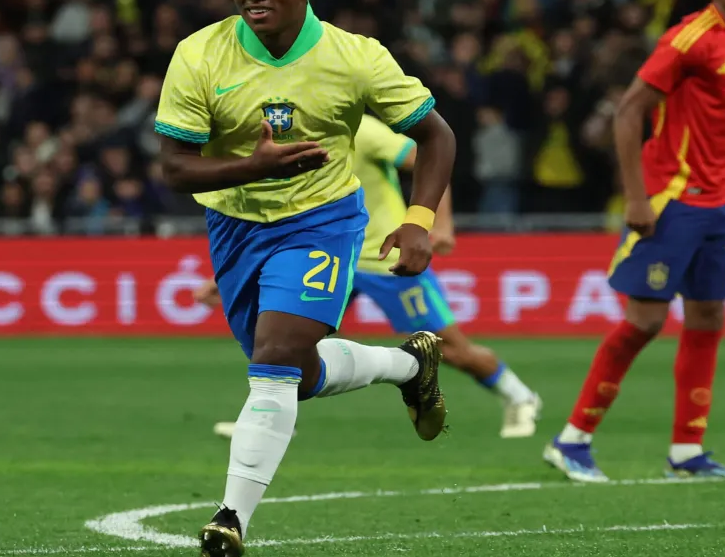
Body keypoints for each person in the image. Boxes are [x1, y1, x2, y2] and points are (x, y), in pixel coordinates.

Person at [156, 0, 456, 557]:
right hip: (234, 227)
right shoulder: (200, 55)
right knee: (295, 373)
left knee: (276, 356)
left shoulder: (355, 57)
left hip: (322, 220)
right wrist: (253, 169)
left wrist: (418, 219)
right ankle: (409, 368)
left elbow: (437, 136)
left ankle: (230, 517)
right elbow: (175, 168)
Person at [544, 0, 725, 483]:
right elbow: (628, 114)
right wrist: (638, 196)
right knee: (645, 321)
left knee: (708, 318)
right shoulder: (688, 40)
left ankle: (687, 454)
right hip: (672, 201)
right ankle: (572, 440)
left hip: (719, 204)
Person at [199, 115, 542, 439]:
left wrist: (439, 225)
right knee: (284, 340)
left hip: (386, 259)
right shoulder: (292, 134)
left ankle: (520, 397)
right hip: (328, 254)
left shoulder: (363, 130)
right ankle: (270, 420)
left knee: (450, 350)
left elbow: (428, 158)